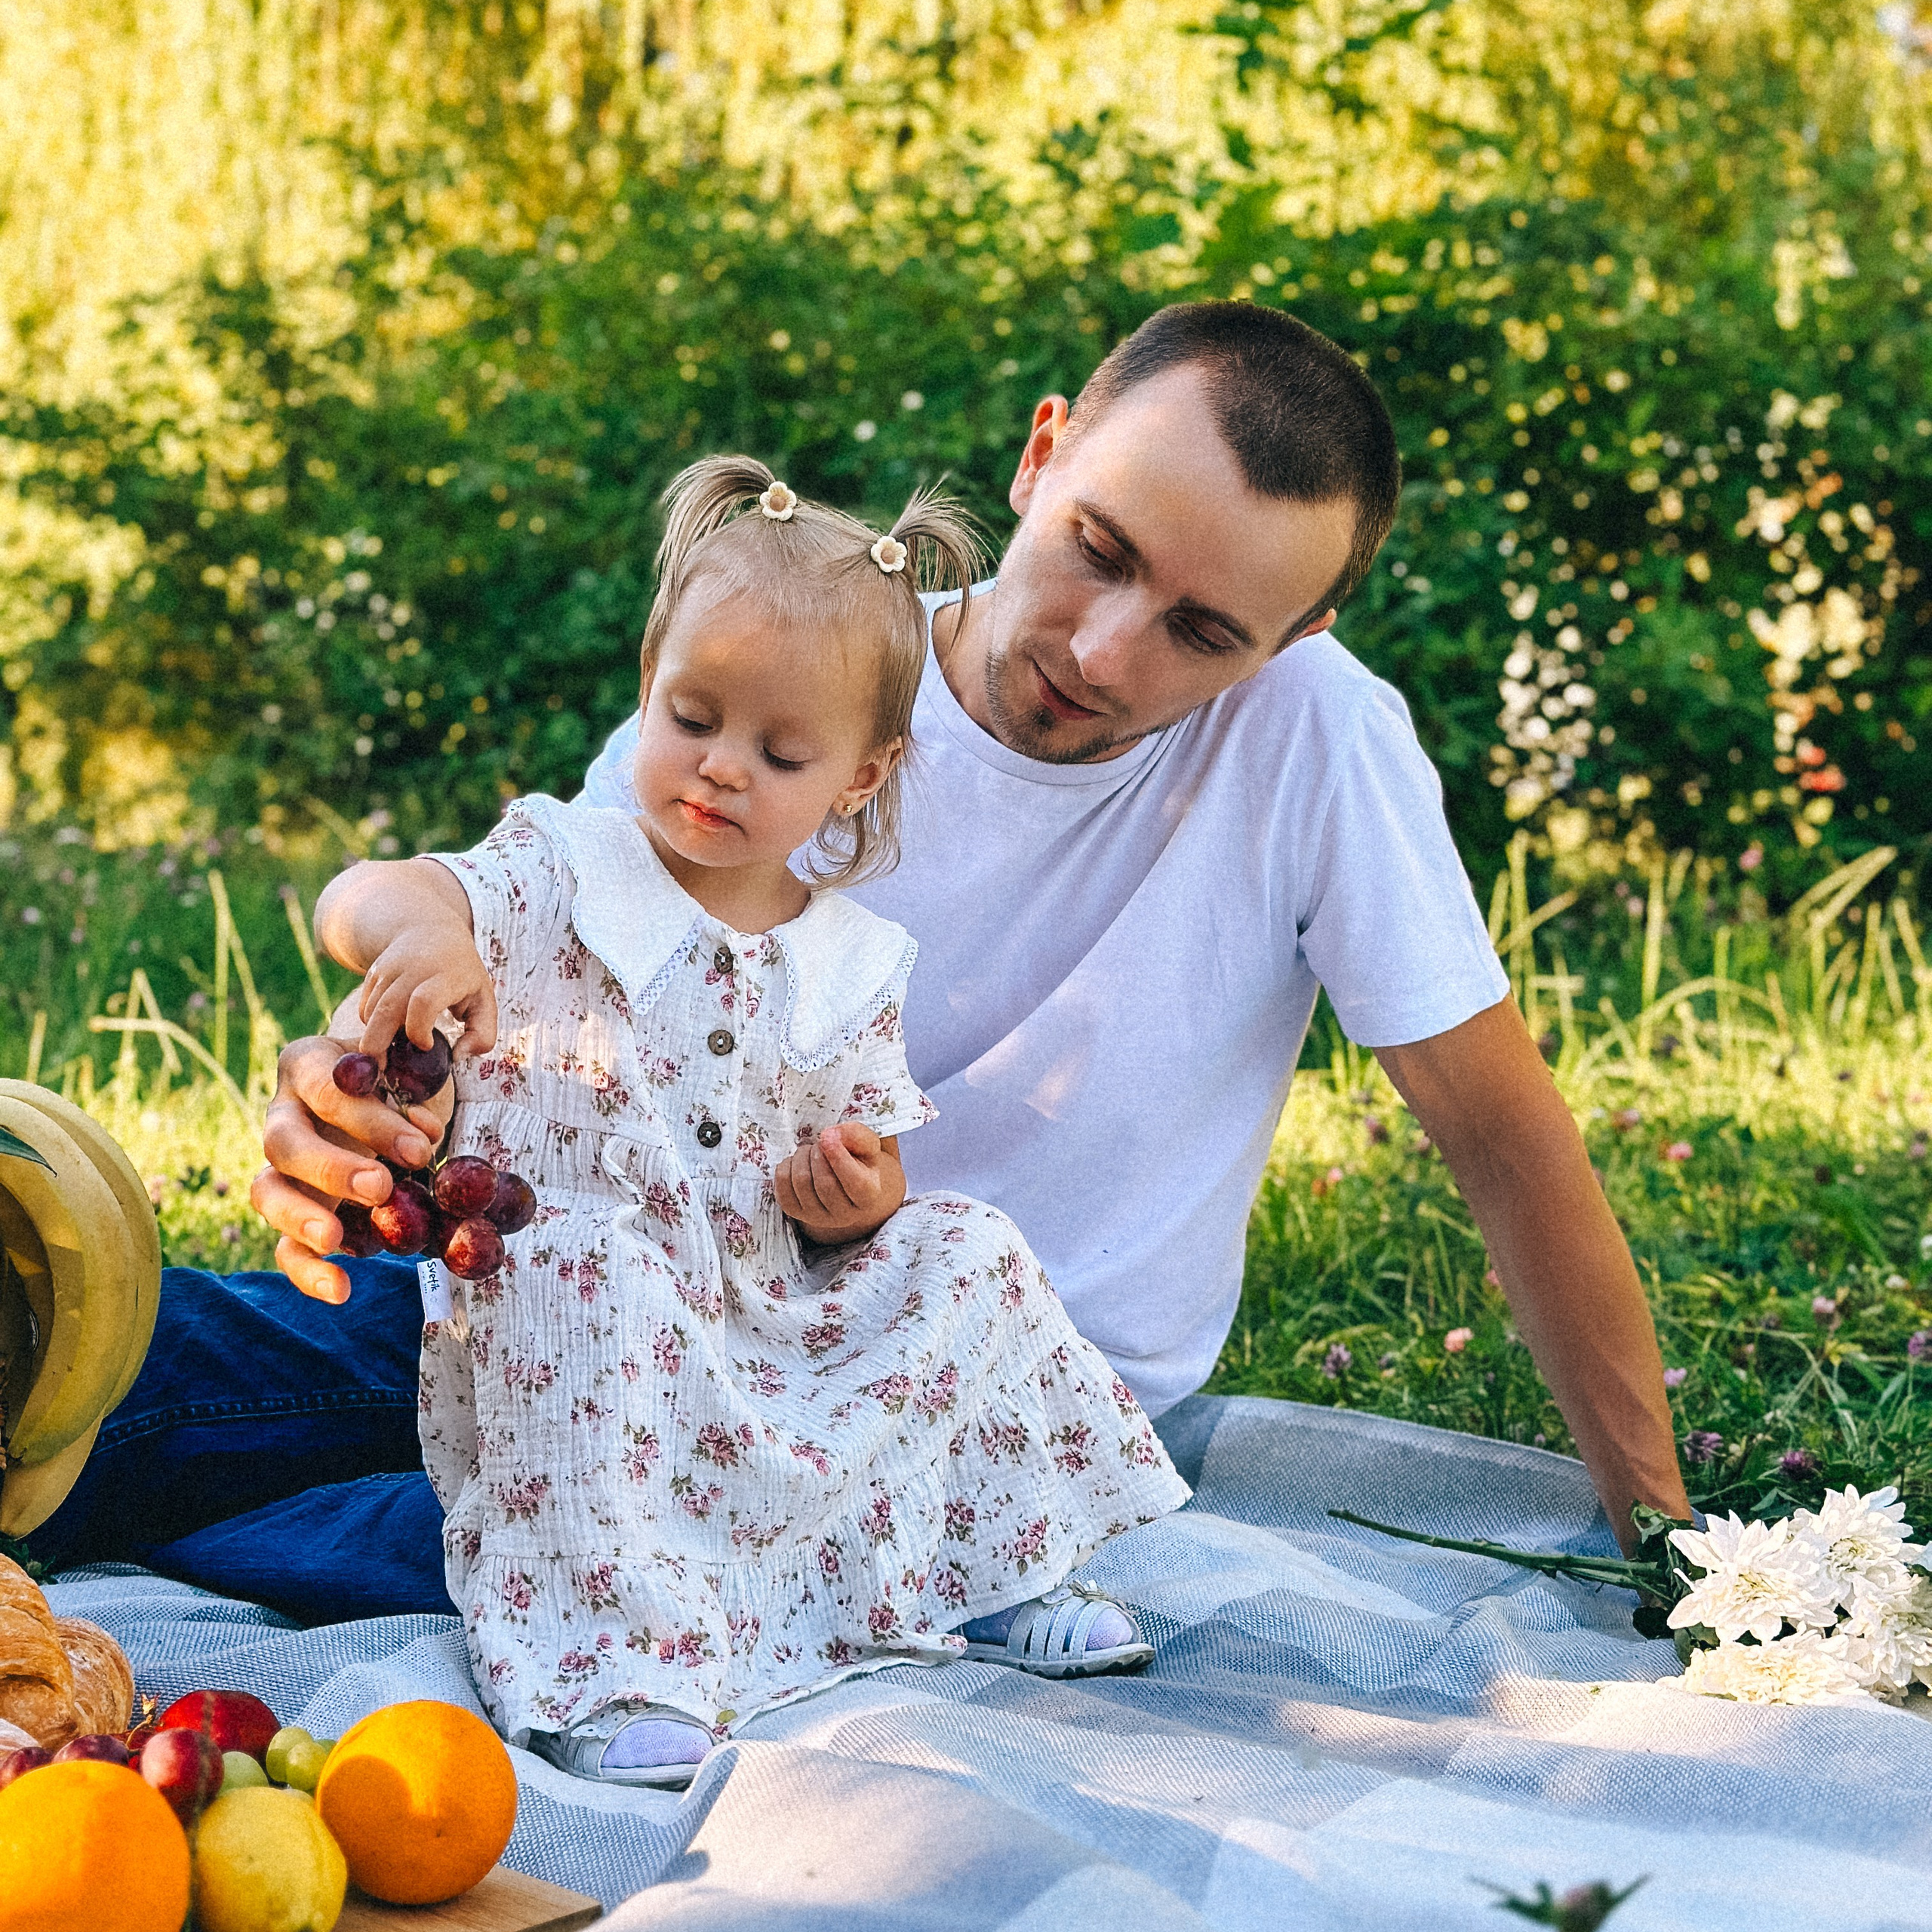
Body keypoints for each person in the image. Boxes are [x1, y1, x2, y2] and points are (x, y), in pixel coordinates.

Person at [38, 300, 1688, 1623]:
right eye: (1101, 548)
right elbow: (525, 963)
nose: (1101, 649)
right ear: (1042, 454)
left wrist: (1675, 1550)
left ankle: (173, 1553)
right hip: (634, 1299)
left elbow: (1503, 1139)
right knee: (109, 1355)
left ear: (1293, 640)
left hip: (948, 1411)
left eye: (1203, 630)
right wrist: (374, 1086)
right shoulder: (813, 676)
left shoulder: (1315, 742)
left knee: (504, 1545)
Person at [306, 458, 1189, 1786]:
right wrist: (423, 932)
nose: (721, 768)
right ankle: (613, 1659)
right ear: (649, 679)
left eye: (780, 754)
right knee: (592, 1263)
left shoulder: (852, 964)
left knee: (969, 1244)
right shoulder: (562, 869)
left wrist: (858, 1198)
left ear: (860, 776)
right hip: (588, 1330)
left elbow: (866, 1163)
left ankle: (992, 1567)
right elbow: (366, 891)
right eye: (692, 717)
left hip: (766, 1326)